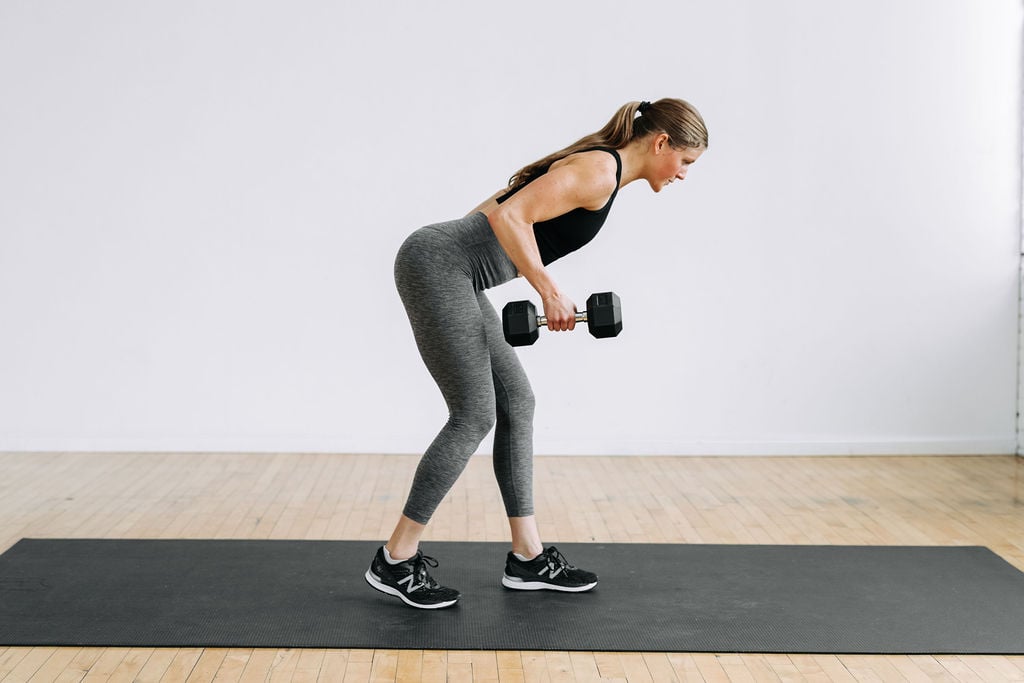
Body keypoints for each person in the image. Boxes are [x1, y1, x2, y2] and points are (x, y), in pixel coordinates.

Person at [364, 98, 708, 609]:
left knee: (516, 402)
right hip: (438, 267)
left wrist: (479, 269)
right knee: (473, 414)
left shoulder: (600, 169)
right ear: (662, 143)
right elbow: (511, 214)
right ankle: (395, 559)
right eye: (686, 161)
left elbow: (488, 216)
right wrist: (547, 291)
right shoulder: (598, 170)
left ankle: (527, 557)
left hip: (453, 272)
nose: (683, 174)